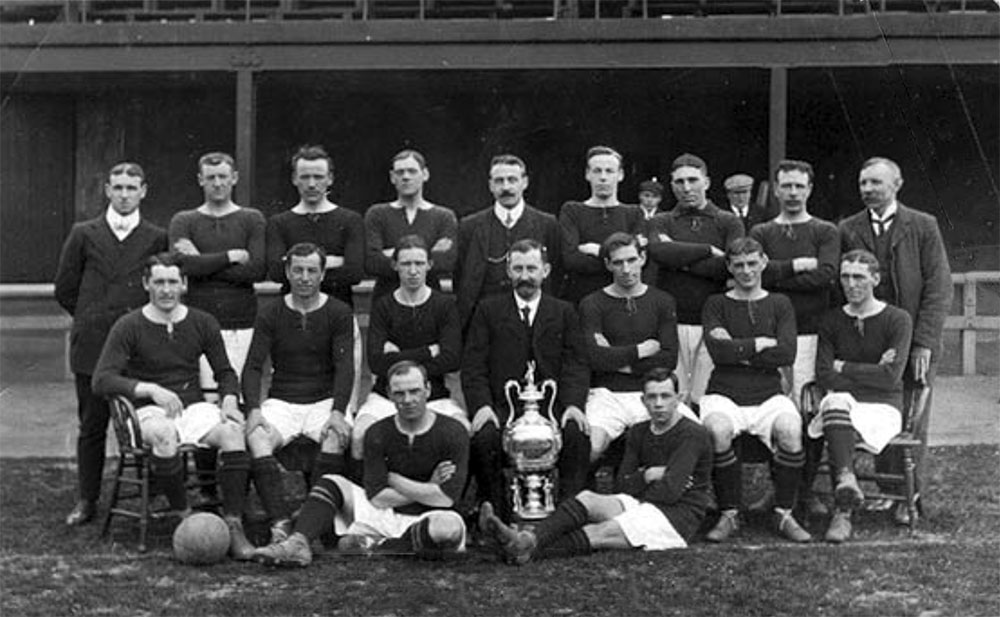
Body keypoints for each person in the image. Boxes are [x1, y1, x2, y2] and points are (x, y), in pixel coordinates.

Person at [91, 253, 254, 560]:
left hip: (192, 408)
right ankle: (186, 517)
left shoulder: (202, 321)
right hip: (147, 412)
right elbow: (102, 379)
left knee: (233, 433)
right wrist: (149, 389)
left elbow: (225, 372)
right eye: (159, 282)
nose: (166, 290)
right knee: (165, 434)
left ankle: (233, 524)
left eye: (172, 282)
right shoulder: (129, 325)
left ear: (184, 284)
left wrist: (230, 398)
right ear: (146, 284)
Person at [479, 368, 713, 563]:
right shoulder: (639, 431)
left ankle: (520, 546)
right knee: (588, 499)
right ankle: (525, 542)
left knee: (601, 531)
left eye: (666, 396)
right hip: (643, 501)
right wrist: (648, 475)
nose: (659, 404)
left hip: (676, 517)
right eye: (652, 397)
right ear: (642, 400)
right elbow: (622, 484)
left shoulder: (692, 434)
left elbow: (671, 493)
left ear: (679, 399)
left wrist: (642, 481)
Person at [253, 361, 470, 567]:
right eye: (399, 393)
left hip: (429, 516)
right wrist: (428, 487)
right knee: (331, 482)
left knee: (446, 529)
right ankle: (297, 544)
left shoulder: (452, 432)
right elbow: (377, 497)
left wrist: (395, 480)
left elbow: (446, 498)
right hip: (384, 514)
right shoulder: (378, 432)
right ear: (389, 395)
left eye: (415, 391)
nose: (408, 399)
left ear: (428, 390)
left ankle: (381, 546)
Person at [54, 162, 169, 526]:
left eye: (131, 188)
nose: (123, 194)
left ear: (143, 191)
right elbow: (65, 289)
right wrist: (93, 319)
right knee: (92, 424)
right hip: (92, 347)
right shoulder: (83, 233)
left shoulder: (155, 236)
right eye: (117, 187)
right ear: (107, 190)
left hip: (140, 348)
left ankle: (158, 495)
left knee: (148, 421)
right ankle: (87, 499)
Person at [838, 156, 952, 524]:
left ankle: (908, 496)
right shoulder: (849, 228)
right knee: (880, 411)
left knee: (913, 418)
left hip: (914, 340)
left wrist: (923, 342)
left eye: (876, 183)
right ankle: (886, 493)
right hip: (870, 341)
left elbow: (939, 287)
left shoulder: (922, 226)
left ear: (897, 184)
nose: (869, 189)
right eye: (863, 183)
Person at [462, 238, 591, 522]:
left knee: (576, 433)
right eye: (517, 269)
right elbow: (473, 367)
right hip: (503, 406)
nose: (525, 276)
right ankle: (496, 514)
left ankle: (569, 515)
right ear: (508, 271)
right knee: (484, 438)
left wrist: (573, 405)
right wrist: (482, 406)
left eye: (531, 268)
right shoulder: (488, 310)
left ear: (545, 270)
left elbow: (576, 365)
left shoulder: (564, 311)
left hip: (552, 406)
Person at [241, 242, 356, 544]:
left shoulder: (339, 311)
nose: (305, 277)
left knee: (335, 436)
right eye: (298, 270)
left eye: (311, 271)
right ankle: (280, 521)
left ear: (321, 274)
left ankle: (310, 524)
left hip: (324, 401)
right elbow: (253, 366)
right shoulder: (271, 312)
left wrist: (338, 412)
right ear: (288, 273)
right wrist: (253, 409)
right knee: (257, 435)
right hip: (283, 400)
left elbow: (346, 367)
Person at [699, 237, 811, 543]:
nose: (746, 271)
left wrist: (736, 348)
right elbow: (717, 353)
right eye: (739, 265)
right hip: (724, 392)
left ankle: (783, 513)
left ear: (763, 262)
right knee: (717, 429)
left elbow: (786, 354)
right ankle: (729, 513)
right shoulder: (716, 304)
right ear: (729, 267)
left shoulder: (780, 303)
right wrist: (759, 344)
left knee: (790, 428)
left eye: (752, 263)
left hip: (768, 394)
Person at [809, 250, 913, 543]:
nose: (851, 284)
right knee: (834, 402)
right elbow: (824, 374)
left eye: (859, 277)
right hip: (842, 406)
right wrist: (872, 370)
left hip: (883, 408)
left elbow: (891, 377)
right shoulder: (832, 320)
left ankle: (842, 508)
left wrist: (846, 367)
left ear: (875, 279)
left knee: (835, 407)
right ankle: (846, 489)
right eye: (845, 276)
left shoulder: (897, 319)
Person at [352, 235, 468, 464]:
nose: (413, 271)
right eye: (406, 264)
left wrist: (396, 356)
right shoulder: (384, 306)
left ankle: (446, 496)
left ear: (429, 265)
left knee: (463, 431)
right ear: (395, 266)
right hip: (386, 396)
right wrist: (428, 351)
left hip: (434, 395)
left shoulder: (444, 306)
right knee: (359, 434)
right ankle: (365, 495)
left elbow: (452, 359)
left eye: (419, 263)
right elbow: (375, 362)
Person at [580, 232, 688, 463]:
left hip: (651, 391)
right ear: (608, 265)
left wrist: (616, 361)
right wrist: (640, 350)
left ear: (643, 258)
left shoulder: (662, 301)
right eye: (618, 262)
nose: (626, 269)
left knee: (694, 434)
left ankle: (678, 494)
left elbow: (668, 359)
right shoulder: (592, 304)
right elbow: (595, 358)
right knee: (590, 446)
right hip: (607, 394)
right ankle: (582, 497)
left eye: (631, 260)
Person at [646, 154, 744, 405]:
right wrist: (708, 250)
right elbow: (658, 252)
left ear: (707, 182)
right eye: (679, 182)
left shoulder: (728, 221)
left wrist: (677, 256)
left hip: (713, 322)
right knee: (672, 400)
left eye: (693, 180)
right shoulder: (661, 220)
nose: (686, 188)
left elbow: (730, 267)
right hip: (671, 322)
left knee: (708, 400)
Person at [168, 152, 266, 394]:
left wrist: (201, 260)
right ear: (200, 180)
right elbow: (181, 266)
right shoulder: (184, 220)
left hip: (241, 323)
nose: (217, 183)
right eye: (211, 177)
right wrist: (229, 257)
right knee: (203, 398)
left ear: (234, 178)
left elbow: (256, 270)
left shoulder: (251, 219)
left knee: (240, 397)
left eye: (223, 176)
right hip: (196, 322)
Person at [749, 159, 839, 405]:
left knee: (808, 400)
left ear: (809, 189)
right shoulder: (761, 232)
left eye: (799, 186)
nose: (793, 192)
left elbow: (825, 275)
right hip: (770, 330)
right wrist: (797, 267)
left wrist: (775, 276)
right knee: (772, 402)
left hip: (811, 331)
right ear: (776, 189)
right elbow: (755, 275)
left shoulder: (825, 231)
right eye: (786, 186)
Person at [454, 154, 561, 330]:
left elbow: (555, 273)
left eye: (512, 180)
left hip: (532, 319)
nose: (506, 187)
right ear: (490, 185)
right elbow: (462, 276)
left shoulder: (547, 224)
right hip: (484, 322)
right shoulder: (470, 226)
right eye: (499, 181)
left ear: (524, 182)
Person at [266, 145, 365, 308]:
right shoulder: (279, 223)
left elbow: (354, 273)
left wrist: (295, 266)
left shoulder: (350, 220)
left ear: (330, 178)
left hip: (339, 311)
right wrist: (333, 262)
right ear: (294, 179)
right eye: (305, 177)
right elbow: (277, 273)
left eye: (318, 177)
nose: (311, 184)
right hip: (293, 313)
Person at [364, 149, 458, 301]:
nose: (406, 177)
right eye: (400, 172)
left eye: (412, 171)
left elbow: (446, 262)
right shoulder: (377, 214)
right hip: (386, 300)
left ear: (425, 174)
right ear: (392, 177)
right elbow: (372, 262)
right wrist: (429, 252)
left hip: (431, 301)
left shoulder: (444, 216)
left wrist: (391, 253)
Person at [558, 145, 644, 303]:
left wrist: (599, 251)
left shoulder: (634, 213)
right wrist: (619, 261)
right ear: (587, 174)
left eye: (609, 171)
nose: (603, 177)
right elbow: (571, 259)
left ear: (620, 175)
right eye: (597, 171)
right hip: (581, 298)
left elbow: (637, 263)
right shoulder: (572, 211)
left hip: (623, 300)